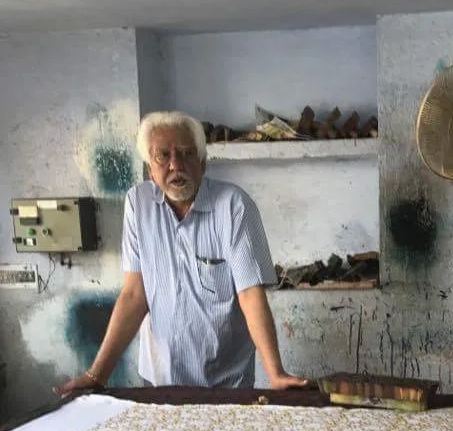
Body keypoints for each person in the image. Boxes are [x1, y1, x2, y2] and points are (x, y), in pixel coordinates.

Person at [55, 111, 306, 394]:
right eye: (163, 156)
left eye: (187, 154)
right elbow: (135, 295)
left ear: (202, 163)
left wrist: (275, 374)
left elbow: (250, 294)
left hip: (226, 382)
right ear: (150, 168)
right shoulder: (138, 204)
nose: (176, 165)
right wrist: (97, 375)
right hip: (160, 379)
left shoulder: (234, 206)